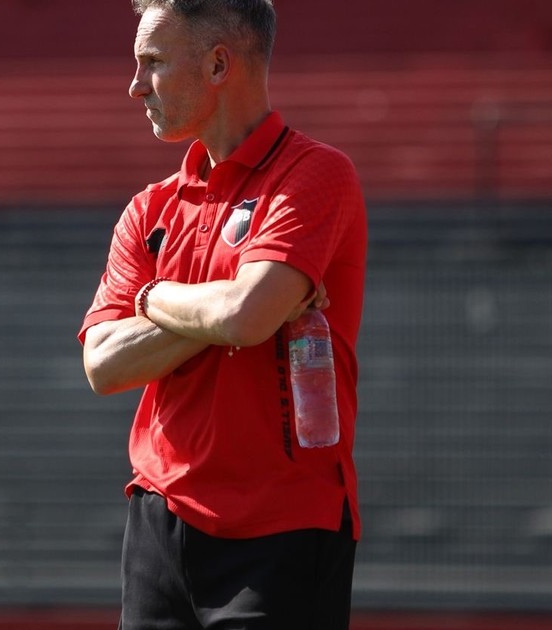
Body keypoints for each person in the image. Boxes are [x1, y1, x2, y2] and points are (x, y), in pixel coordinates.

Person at [79, 0, 367, 627]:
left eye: (153, 62)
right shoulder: (149, 208)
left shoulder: (315, 174)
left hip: (283, 529)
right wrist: (230, 304)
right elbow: (102, 363)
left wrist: (152, 299)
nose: (135, 86)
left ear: (216, 65)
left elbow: (245, 316)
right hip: (158, 519)